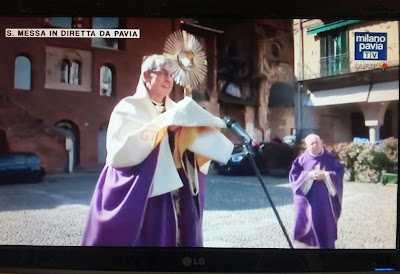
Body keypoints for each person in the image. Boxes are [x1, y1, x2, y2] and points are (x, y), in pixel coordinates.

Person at [82, 54, 233, 247]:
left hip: (175, 190)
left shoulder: (177, 110)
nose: (169, 79)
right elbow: (119, 152)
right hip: (145, 192)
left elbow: (188, 152)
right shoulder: (127, 108)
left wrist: (189, 133)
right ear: (146, 76)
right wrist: (163, 128)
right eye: (162, 73)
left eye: (171, 74)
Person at [289, 134, 344, 248]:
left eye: (317, 142)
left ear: (321, 142)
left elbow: (339, 173)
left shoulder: (330, 158)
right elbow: (294, 176)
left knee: (325, 225)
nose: (314, 145)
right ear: (307, 146)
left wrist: (326, 175)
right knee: (307, 223)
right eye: (311, 144)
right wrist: (309, 175)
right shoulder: (301, 160)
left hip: (325, 202)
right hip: (307, 201)